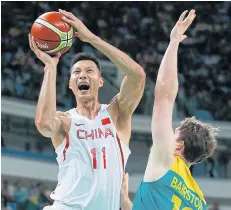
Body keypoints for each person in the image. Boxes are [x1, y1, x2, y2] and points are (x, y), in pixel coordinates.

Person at [28, 9, 145, 210]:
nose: (83, 75)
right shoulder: (66, 121)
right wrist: (50, 67)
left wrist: (92, 39)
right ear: (71, 84)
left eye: (89, 71)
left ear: (100, 82)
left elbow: (137, 76)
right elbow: (44, 125)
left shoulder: (117, 114)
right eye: (77, 73)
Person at [120, 10, 218, 210]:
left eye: (173, 135)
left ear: (179, 146)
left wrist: (174, 42)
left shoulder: (167, 161)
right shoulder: (200, 202)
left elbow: (164, 97)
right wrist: (126, 204)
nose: (167, 137)